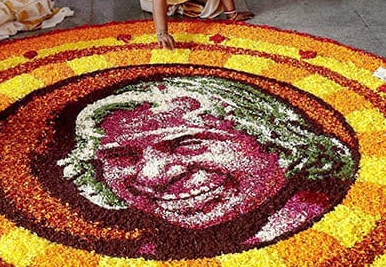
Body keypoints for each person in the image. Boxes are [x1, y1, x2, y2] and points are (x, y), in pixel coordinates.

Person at [59, 76, 354, 254]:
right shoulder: (147, 252)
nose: (152, 176)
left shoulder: (336, 227)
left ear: (276, 140)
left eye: (187, 143)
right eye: (121, 156)